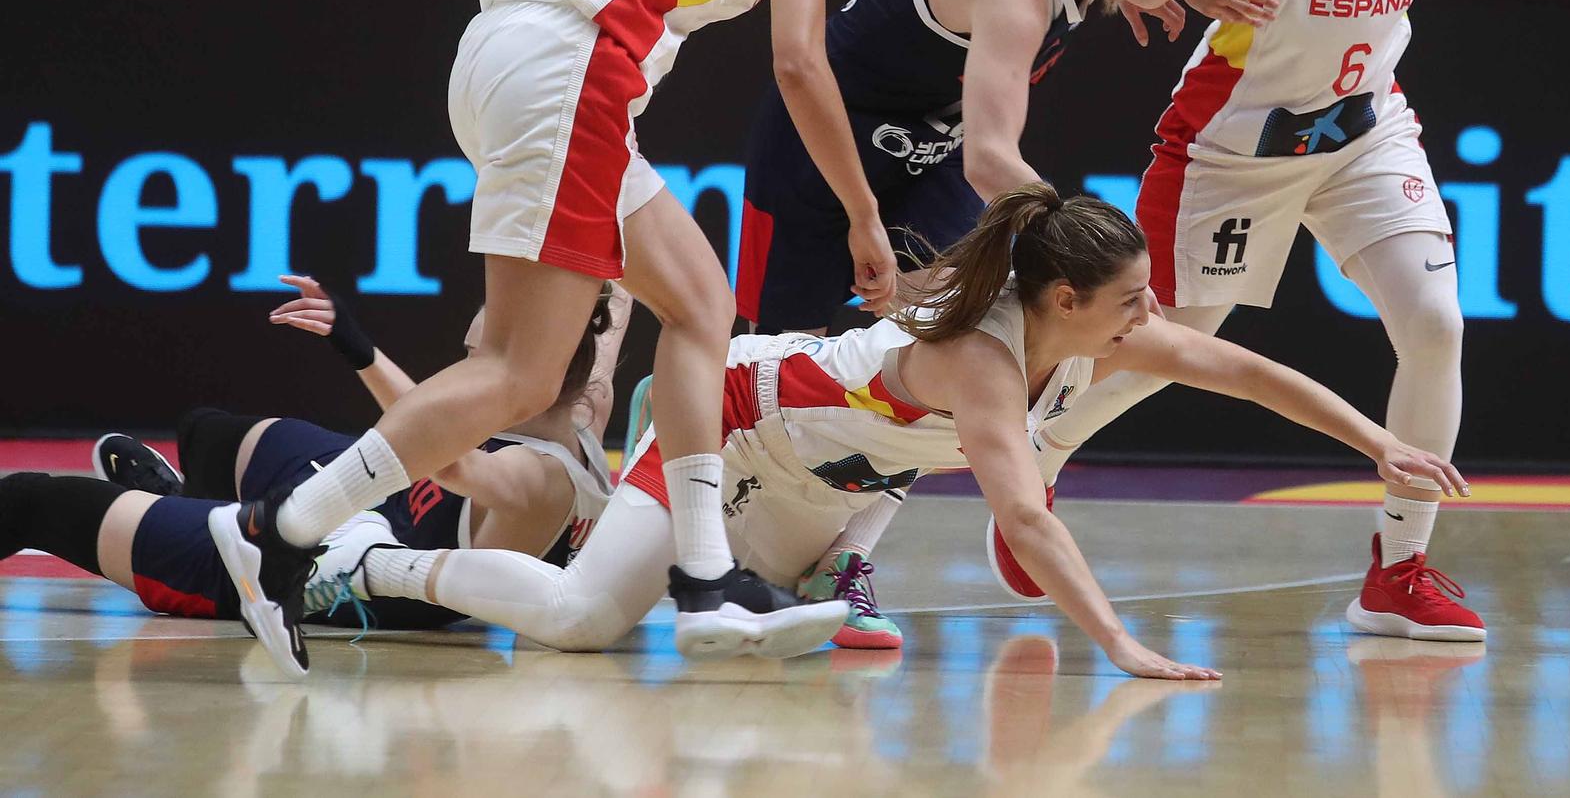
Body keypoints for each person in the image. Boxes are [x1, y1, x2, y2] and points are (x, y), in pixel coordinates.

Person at [210, 0, 899, 679]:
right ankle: (283, 534)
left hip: (506, 53)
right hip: (573, 70)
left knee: (701, 305)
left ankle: (704, 579)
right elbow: (798, 61)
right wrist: (863, 212)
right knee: (521, 375)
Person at [321, 186, 1468, 678]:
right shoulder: (982, 356)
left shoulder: (1090, 326)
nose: (1151, 316)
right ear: (1062, 304)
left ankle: (821, 566)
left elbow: (1247, 372)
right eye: (1131, 300)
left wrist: (1376, 441)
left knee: (649, 639)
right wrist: (1119, 644)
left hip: (818, 476)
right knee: (577, 623)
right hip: (725, 418)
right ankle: (362, 562)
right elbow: (1021, 511)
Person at [1008, 0, 1532, 643]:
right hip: (1233, 153)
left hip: (1365, 136)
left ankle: (1399, 569)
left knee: (1436, 323)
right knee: (1162, 341)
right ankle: (1040, 451)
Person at [735, 0, 1274, 648]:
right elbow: (994, 160)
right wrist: (1098, 254)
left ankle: (844, 560)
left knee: (941, 361)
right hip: (824, 146)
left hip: (929, 155)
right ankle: (717, 541)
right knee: (786, 370)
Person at [0, 276, 622, 633]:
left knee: (34, 500)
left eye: (475, 360)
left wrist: (359, 350)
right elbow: (613, 295)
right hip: (395, 501)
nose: (465, 369)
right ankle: (181, 501)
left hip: (347, 567)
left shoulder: (538, 478)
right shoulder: (586, 393)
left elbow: (441, 451)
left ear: (530, 374)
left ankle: (197, 531)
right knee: (206, 433)